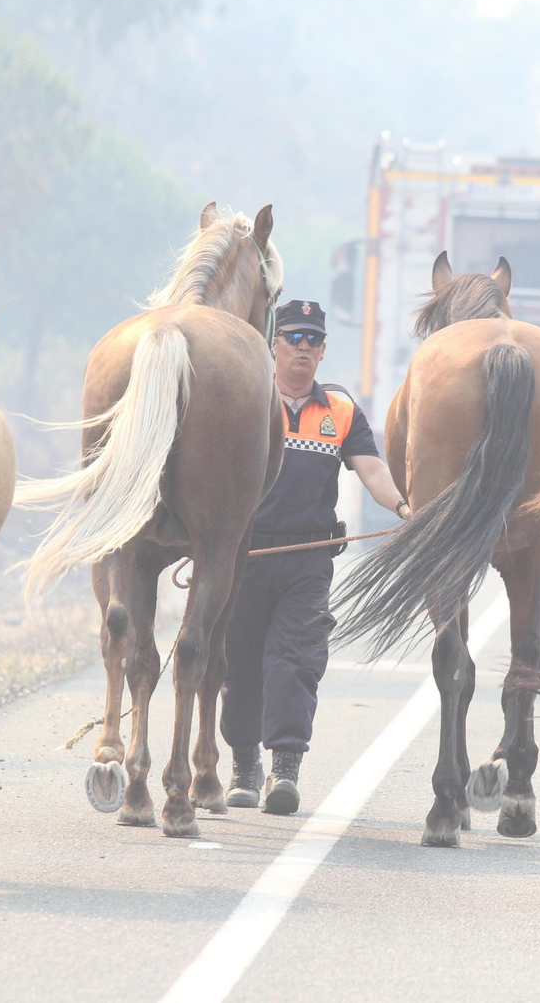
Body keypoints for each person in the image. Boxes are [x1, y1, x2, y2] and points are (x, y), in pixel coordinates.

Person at [221, 299, 410, 815]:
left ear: (323, 351)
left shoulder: (341, 411)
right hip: (246, 553)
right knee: (239, 662)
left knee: (296, 661)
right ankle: (242, 765)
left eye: (312, 340)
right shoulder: (246, 400)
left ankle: (284, 770)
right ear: (273, 345)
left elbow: (371, 469)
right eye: (293, 338)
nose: (302, 348)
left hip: (309, 558)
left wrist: (403, 507)